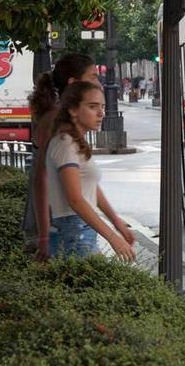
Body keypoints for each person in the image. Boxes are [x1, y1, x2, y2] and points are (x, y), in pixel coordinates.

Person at [45, 81, 135, 260]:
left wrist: (116, 222)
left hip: (78, 229)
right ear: (73, 109)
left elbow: (90, 186)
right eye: (92, 106)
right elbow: (75, 199)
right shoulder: (66, 143)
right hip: (73, 230)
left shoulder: (75, 142)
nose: (101, 113)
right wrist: (113, 238)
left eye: (102, 106)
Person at [25, 54, 101, 260]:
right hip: (62, 225)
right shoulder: (56, 121)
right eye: (93, 77)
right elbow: (42, 180)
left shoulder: (62, 118)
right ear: (73, 83)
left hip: (68, 224)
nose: (98, 83)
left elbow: (85, 182)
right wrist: (43, 236)